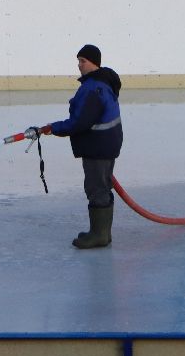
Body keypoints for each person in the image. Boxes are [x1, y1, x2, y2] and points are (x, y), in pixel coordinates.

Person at [32, 44, 123, 249]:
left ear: (94, 63)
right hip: (107, 144)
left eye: (83, 61)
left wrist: (52, 128)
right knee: (102, 185)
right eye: (78, 61)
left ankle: (99, 235)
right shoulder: (101, 82)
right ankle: (103, 233)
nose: (79, 66)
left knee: (96, 187)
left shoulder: (93, 88)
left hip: (98, 146)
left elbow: (79, 123)